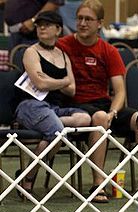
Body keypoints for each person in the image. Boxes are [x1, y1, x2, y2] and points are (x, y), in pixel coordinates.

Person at [57, 0, 138, 203]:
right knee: (99, 117)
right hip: (74, 106)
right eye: (79, 18)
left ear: (99, 23)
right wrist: (105, 116)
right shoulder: (62, 45)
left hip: (104, 104)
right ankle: (98, 183)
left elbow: (119, 92)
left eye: (88, 19)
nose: (82, 23)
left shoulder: (109, 51)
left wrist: (113, 113)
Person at [15, 10, 90, 195]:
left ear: (58, 29)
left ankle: (26, 173)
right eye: (39, 25)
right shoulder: (31, 52)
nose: (41, 28)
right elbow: (40, 83)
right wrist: (62, 82)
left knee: (84, 118)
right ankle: (29, 178)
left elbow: (72, 89)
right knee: (57, 132)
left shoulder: (63, 55)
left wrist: (52, 81)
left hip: (54, 109)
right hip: (30, 105)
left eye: (46, 25)